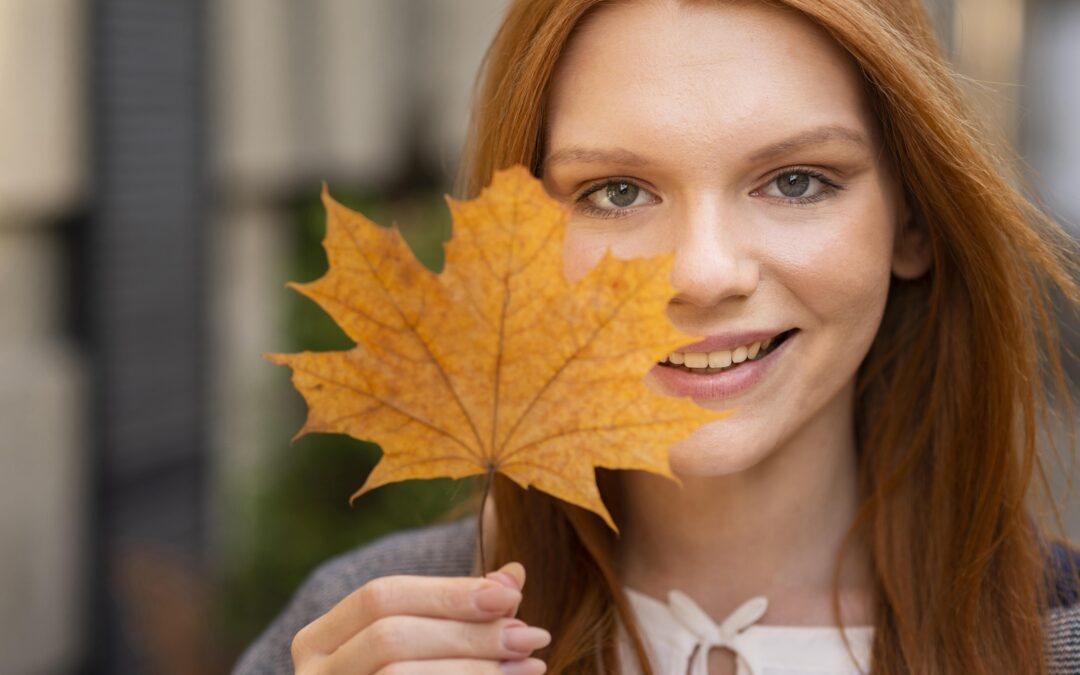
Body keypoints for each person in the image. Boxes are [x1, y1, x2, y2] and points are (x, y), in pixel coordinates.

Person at [233, 0, 1080, 673]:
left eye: (795, 180)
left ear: (912, 221)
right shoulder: (359, 633)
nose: (703, 273)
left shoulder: (1059, 641)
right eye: (617, 193)